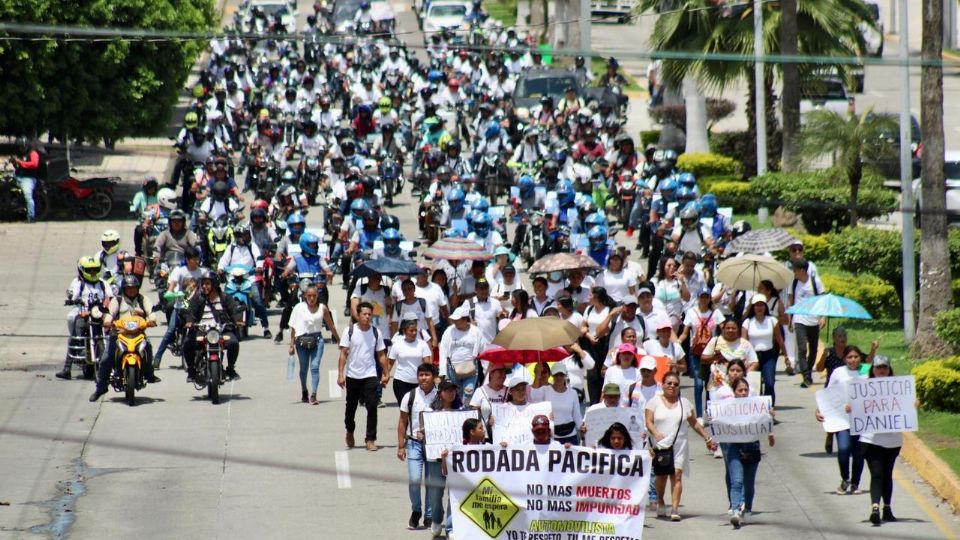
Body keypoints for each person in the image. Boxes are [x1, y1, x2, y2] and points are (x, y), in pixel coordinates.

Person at [645, 371, 718, 521]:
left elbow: (694, 423)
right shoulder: (654, 402)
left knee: (676, 475)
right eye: (669, 383)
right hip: (660, 445)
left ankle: (675, 508)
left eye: (675, 384)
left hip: (679, 445)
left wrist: (707, 438)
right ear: (663, 384)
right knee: (661, 476)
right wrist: (655, 432)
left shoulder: (685, 403)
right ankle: (660, 500)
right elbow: (648, 421)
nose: (672, 386)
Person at [861, 355, 916, 525]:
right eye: (878, 367)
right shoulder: (863, 387)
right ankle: (875, 508)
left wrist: (914, 405)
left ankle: (887, 508)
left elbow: (906, 406)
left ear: (889, 369)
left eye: (884, 367)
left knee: (887, 474)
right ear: (873, 370)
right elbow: (852, 407)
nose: (881, 370)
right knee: (877, 473)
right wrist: (850, 408)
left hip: (893, 441)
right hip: (871, 440)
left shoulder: (899, 387)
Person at [89, 275, 161, 401]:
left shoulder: (143, 299)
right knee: (106, 359)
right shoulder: (117, 300)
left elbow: (151, 312)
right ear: (124, 289)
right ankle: (101, 388)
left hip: (138, 334)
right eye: (129, 289)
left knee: (148, 348)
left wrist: (152, 320)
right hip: (118, 335)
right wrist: (107, 321)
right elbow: (110, 313)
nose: (131, 291)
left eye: (134, 288)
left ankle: (149, 374)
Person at [721, 377, 775, 528]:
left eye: (746, 390)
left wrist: (770, 424)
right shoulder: (727, 406)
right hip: (734, 448)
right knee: (736, 481)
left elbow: (764, 420)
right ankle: (736, 511)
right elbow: (718, 422)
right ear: (734, 392)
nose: (743, 393)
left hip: (752, 447)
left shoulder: (756, 405)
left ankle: (748, 509)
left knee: (749, 483)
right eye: (740, 390)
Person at [338, 302, 391, 451]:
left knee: (372, 406)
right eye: (364, 314)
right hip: (353, 375)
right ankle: (350, 430)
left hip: (370, 375)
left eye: (369, 314)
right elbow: (343, 353)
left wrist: (386, 373)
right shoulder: (349, 331)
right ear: (358, 315)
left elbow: (381, 354)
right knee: (351, 408)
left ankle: (370, 439)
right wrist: (341, 375)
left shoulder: (376, 332)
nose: (367, 317)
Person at [816, 345, 867, 495]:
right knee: (844, 448)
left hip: (861, 420)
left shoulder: (866, 371)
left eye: (856, 357)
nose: (853, 360)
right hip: (842, 419)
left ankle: (855, 483)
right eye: (849, 357)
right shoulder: (838, 372)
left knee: (858, 453)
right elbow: (828, 394)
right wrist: (819, 410)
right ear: (844, 359)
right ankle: (845, 479)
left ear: (860, 358)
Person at [397, 363, 440, 531]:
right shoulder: (410, 396)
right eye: (421, 375)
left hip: (434, 446)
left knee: (431, 482)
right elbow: (402, 421)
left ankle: (429, 516)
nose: (423, 378)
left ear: (433, 377)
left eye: (427, 375)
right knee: (415, 480)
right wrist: (401, 446)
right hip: (414, 443)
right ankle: (416, 510)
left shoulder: (440, 396)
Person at [58, 256, 115, 380]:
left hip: (99, 314)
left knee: (114, 331)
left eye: (95, 269)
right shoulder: (78, 282)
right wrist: (72, 299)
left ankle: (115, 364)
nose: (93, 272)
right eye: (90, 270)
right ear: (82, 270)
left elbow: (110, 295)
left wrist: (108, 301)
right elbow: (72, 295)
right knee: (76, 332)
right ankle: (67, 368)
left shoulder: (102, 283)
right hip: (84, 314)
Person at [181, 271, 242, 381]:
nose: (204, 286)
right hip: (201, 330)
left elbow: (235, 309)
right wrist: (189, 321)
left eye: (208, 283)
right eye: (203, 283)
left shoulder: (225, 298)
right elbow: (190, 312)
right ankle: (191, 370)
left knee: (234, 342)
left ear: (215, 284)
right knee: (187, 343)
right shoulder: (197, 298)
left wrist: (238, 320)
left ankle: (230, 369)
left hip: (222, 330)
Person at [287, 284, 340, 405]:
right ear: (305, 296)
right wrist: (291, 344)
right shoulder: (299, 307)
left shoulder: (322, 308)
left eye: (314, 296)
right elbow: (293, 326)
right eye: (309, 296)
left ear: (317, 296)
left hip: (317, 340)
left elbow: (330, 325)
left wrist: (338, 339)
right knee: (304, 368)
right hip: (302, 340)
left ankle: (314, 394)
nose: (312, 298)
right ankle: (304, 390)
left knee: (315, 366)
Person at [427, 379, 463, 537]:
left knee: (454, 494)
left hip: (456, 460)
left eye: (453, 390)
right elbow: (423, 431)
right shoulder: (430, 412)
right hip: (436, 459)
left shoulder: (462, 411)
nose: (451, 393)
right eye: (447, 390)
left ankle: (450, 527)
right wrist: (423, 433)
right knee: (435, 492)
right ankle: (436, 519)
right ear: (440, 393)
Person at [678, 288, 721, 419]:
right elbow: (685, 333)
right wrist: (677, 343)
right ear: (698, 298)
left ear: (710, 299)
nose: (704, 299)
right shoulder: (691, 312)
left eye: (707, 297)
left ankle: (709, 409)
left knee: (710, 382)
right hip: (695, 352)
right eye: (702, 297)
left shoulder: (716, 313)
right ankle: (699, 415)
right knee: (698, 384)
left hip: (710, 352)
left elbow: (723, 329)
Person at [787, 258, 826, 388]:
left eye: (795, 270)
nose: (793, 272)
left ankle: (808, 370)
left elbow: (823, 300)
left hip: (813, 319)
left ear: (802, 270)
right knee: (802, 348)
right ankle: (806, 376)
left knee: (813, 349)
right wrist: (790, 319)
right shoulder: (793, 283)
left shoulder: (815, 282)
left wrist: (823, 317)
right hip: (799, 318)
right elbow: (790, 301)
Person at [741, 294, 784, 407]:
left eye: (762, 305)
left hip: (768, 356)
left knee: (770, 383)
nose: (759, 308)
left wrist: (787, 356)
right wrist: (744, 359)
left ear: (765, 307)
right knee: (755, 385)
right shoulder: (748, 322)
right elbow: (743, 343)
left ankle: (769, 410)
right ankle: (757, 410)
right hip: (753, 357)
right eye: (756, 305)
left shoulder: (772, 320)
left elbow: (779, 339)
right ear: (753, 307)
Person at [439, 305, 487, 404]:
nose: (455, 322)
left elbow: (483, 351)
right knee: (455, 394)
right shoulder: (449, 331)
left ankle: (466, 412)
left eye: (457, 320)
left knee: (468, 393)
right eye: (454, 320)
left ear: (465, 319)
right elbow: (443, 351)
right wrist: (443, 371)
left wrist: (486, 370)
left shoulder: (476, 332)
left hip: (471, 369)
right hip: (452, 369)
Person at [389, 314, 434, 405]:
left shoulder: (422, 344)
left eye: (415, 330)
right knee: (405, 409)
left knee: (417, 408)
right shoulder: (397, 344)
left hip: (419, 382)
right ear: (405, 331)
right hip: (401, 381)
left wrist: (431, 377)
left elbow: (427, 364)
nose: (414, 333)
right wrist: (385, 376)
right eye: (411, 331)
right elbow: (390, 362)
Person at [539, 363, 583, 445]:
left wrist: (582, 429)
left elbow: (577, 416)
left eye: (561, 374)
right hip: (552, 436)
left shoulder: (573, 393)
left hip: (571, 436)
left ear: (565, 375)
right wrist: (538, 374)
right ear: (552, 375)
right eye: (556, 375)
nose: (559, 377)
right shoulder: (544, 390)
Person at [9, 137, 41, 223]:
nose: (20, 148)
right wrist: (14, 163)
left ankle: (31, 217)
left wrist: (20, 162)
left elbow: (34, 164)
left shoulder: (33, 153)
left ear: (25, 146)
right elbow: (19, 166)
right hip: (18, 176)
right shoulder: (21, 154)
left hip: (28, 178)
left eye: (21, 147)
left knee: (28, 196)